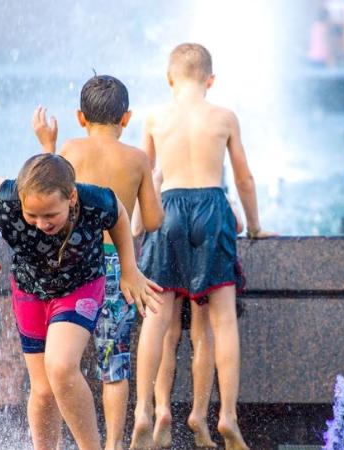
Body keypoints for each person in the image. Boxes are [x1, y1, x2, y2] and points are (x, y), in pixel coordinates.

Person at [0, 153, 162, 450]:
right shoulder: (11, 196)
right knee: (43, 390)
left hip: (80, 286)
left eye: (50, 215)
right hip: (30, 289)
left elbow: (119, 213)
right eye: (32, 215)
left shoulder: (93, 201)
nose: (40, 223)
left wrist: (129, 269)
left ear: (71, 197)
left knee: (60, 366)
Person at [130, 43, 275, 450]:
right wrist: (256, 225)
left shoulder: (156, 117)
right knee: (222, 323)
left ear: (169, 79)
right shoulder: (224, 116)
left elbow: (145, 176)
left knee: (156, 320)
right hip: (212, 206)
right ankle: (227, 416)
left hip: (168, 207)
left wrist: (139, 225)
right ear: (210, 81)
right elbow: (244, 179)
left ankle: (143, 409)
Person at [31, 74, 165, 450]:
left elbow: (45, 189)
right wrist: (155, 181)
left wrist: (47, 144)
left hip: (71, 270)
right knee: (114, 365)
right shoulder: (137, 159)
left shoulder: (71, 150)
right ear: (127, 118)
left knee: (61, 365)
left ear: (80, 116)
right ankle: (113, 446)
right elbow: (152, 222)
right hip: (118, 272)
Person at [150, 190, 244, 449]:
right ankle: (199, 416)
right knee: (204, 333)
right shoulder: (215, 192)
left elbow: (141, 223)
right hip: (205, 242)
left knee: (167, 333)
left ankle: (161, 411)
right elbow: (238, 224)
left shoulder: (164, 187)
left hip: (169, 231)